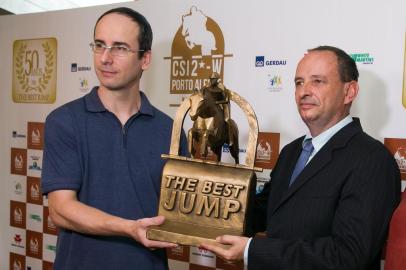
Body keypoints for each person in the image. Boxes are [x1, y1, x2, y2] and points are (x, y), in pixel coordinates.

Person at [201, 46, 401, 270]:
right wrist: (204, 210)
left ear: (349, 92)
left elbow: (349, 255)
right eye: (299, 82)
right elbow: (262, 214)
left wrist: (252, 251)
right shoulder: (291, 152)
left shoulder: (372, 160)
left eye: (317, 81)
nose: (304, 91)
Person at [41, 7, 187, 270]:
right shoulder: (64, 121)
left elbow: (182, 212)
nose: (105, 58)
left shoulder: (170, 130)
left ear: (145, 59)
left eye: (120, 48)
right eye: (99, 45)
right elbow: (61, 209)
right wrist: (129, 228)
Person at [202, 72, 233, 146]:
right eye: (211, 79)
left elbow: (225, 99)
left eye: (214, 79)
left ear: (217, 80)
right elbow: (202, 95)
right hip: (209, 106)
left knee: (226, 119)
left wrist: (216, 102)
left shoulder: (221, 87)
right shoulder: (206, 86)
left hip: (221, 105)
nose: (212, 81)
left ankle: (230, 138)